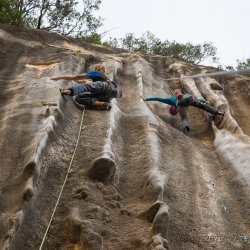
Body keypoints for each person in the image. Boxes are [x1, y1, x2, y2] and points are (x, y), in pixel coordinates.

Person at [140, 92, 225, 135]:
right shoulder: (174, 99)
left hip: (180, 103)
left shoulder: (171, 101)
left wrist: (146, 99)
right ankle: (217, 112)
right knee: (202, 106)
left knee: (184, 118)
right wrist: (204, 101)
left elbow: (157, 98)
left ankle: (186, 128)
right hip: (189, 98)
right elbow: (196, 99)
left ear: (172, 108)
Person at [50, 64, 122, 109]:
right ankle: (103, 104)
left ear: (96, 69)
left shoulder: (96, 73)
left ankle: (68, 91)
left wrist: (59, 77)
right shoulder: (104, 78)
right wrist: (74, 80)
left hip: (104, 86)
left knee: (86, 87)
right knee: (79, 98)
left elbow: (77, 77)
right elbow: (83, 81)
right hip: (108, 96)